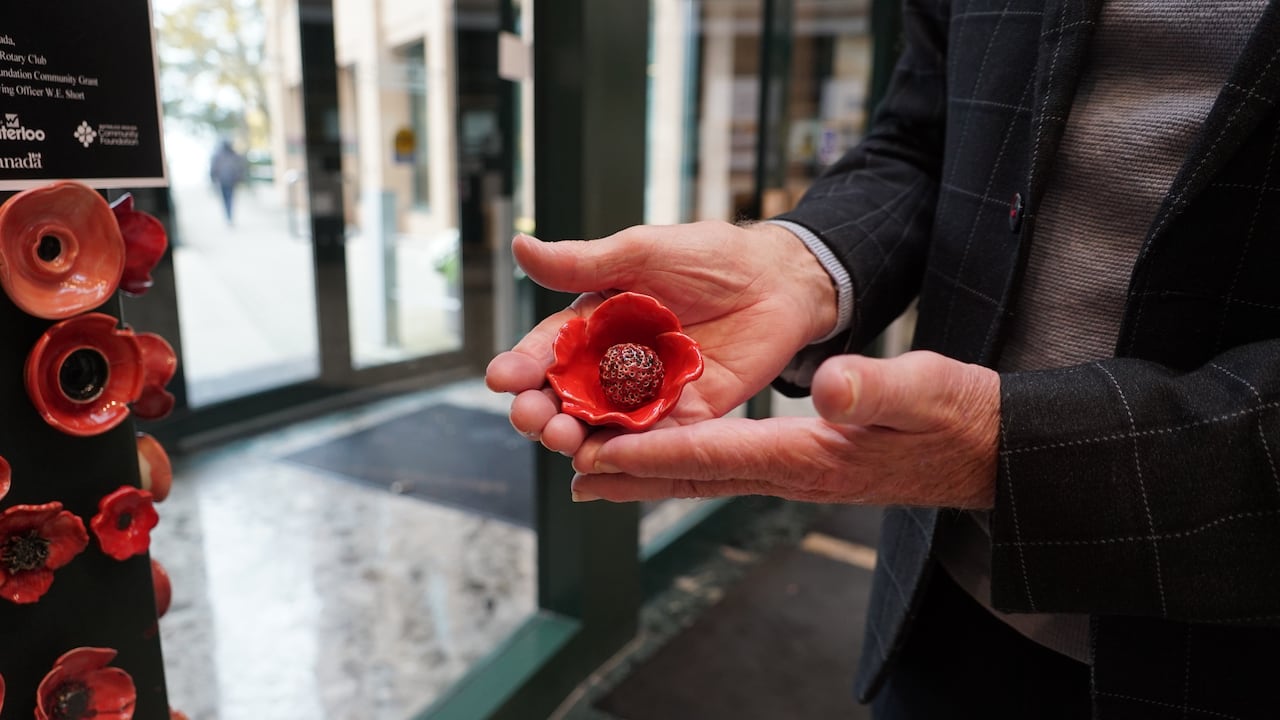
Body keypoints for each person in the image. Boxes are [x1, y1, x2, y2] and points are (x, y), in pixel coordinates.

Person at [487, 1, 1280, 717]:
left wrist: (1017, 454)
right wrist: (801, 264)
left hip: (1224, 660)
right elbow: (920, 140)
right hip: (935, 598)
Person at [209, 139, 246, 225]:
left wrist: (213, 178)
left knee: (226, 199)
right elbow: (240, 167)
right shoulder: (232, 155)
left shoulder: (218, 156)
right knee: (229, 199)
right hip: (229, 181)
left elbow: (213, 168)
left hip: (224, 181)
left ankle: (228, 216)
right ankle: (229, 216)